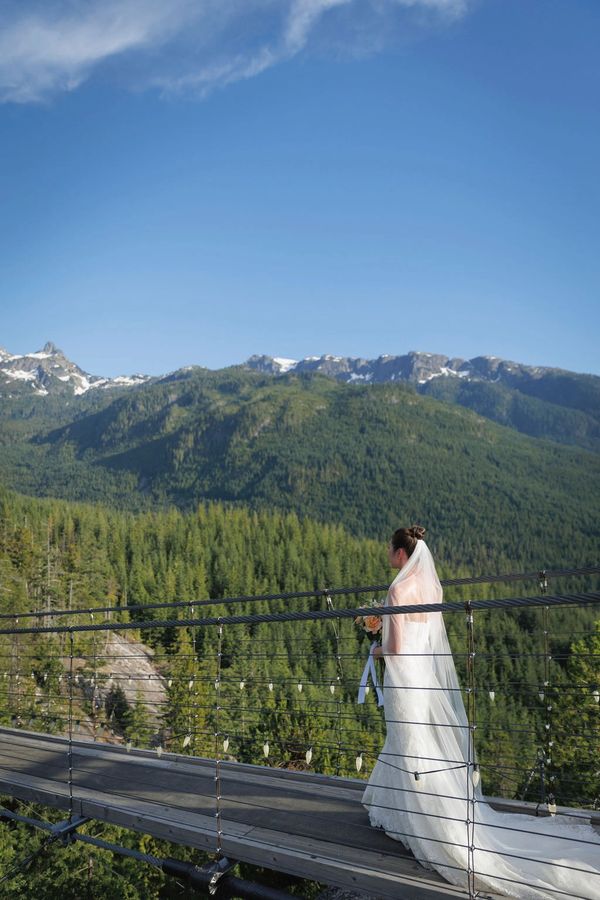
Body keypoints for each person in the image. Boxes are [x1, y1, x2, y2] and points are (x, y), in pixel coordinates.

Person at [362, 526, 600, 899]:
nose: (387, 554)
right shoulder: (432, 588)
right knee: (418, 740)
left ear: (400, 553)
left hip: (404, 677)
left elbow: (395, 646)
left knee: (410, 740)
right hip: (424, 676)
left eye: (389, 549)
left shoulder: (397, 589)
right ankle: (415, 809)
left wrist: (374, 647)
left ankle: (428, 822)